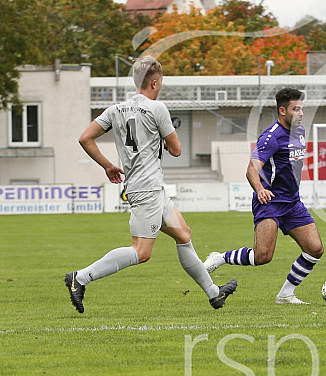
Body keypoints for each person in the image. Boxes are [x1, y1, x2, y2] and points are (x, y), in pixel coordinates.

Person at [65, 55, 237, 313]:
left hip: (148, 188)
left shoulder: (116, 109)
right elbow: (177, 150)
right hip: (147, 190)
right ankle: (79, 278)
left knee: (183, 234)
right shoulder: (157, 109)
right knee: (141, 252)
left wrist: (108, 165)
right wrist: (164, 141)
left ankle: (214, 294)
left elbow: (85, 138)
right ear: (155, 83)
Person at [204, 88, 324, 304]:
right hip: (270, 203)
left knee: (315, 249)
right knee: (262, 257)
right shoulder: (271, 137)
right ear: (282, 110)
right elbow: (251, 169)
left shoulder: (300, 131)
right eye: (296, 109)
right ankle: (219, 257)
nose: (301, 114)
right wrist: (260, 190)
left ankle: (286, 294)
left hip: (293, 203)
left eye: (302, 109)